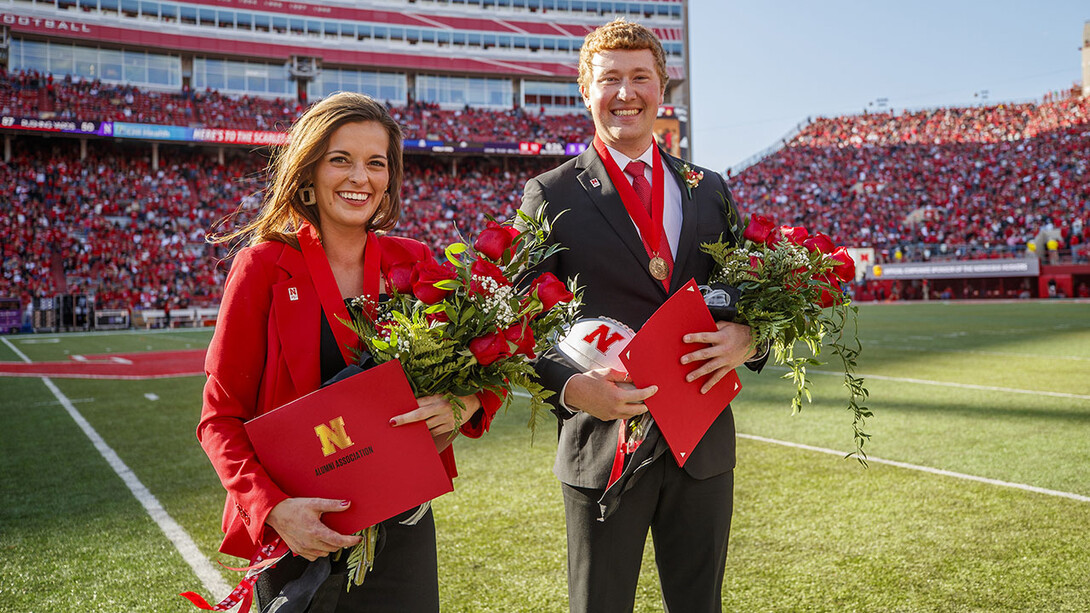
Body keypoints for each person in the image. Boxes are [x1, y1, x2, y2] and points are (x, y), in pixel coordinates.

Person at [198, 92, 499, 612]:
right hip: (299, 530)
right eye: (341, 160)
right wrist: (274, 510)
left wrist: (464, 405)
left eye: (375, 163)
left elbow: (485, 368)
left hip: (402, 523)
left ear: (390, 179)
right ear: (309, 172)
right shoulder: (262, 267)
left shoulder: (417, 262)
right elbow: (219, 419)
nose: (360, 177)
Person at [519, 19, 767, 613]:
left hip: (701, 438)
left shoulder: (709, 189)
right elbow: (517, 323)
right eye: (610, 79)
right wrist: (574, 389)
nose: (625, 93)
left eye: (641, 78)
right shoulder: (550, 193)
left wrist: (748, 339)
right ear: (585, 89)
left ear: (663, 90)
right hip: (604, 440)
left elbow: (752, 295)